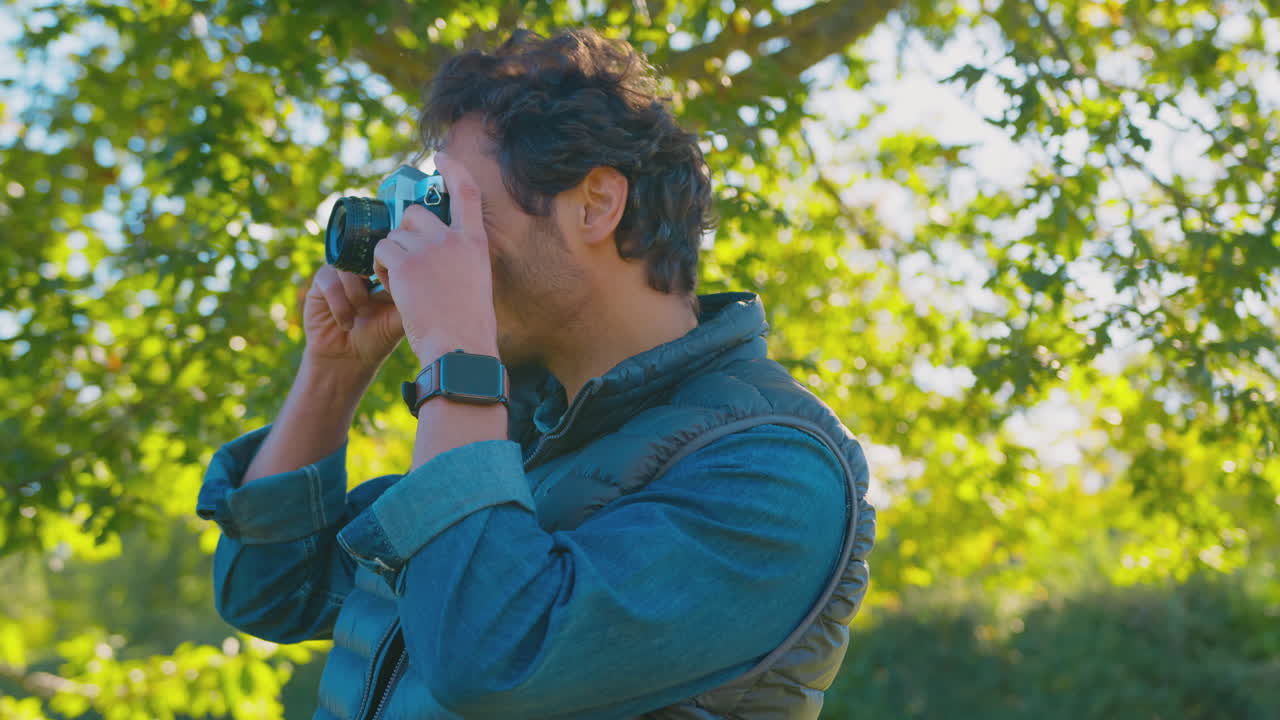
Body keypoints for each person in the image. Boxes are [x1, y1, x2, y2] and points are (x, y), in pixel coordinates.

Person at [197, 27, 876, 720]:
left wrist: (459, 360)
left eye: (458, 213)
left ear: (595, 205)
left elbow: (494, 659)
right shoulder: (526, 438)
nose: (431, 251)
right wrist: (332, 372)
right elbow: (270, 587)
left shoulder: (776, 468)